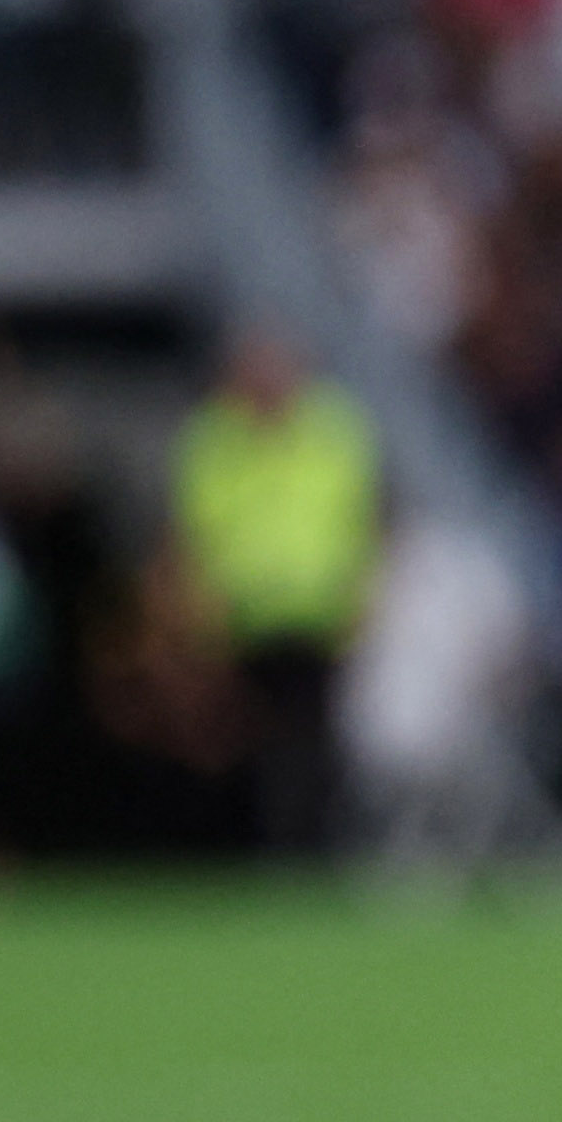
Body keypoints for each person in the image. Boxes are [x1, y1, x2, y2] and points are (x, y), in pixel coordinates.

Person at [170, 328, 384, 856]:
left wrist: (362, 597)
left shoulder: (335, 429)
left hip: (318, 620)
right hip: (242, 623)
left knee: (314, 747)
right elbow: (195, 533)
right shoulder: (214, 438)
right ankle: (258, 852)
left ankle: (313, 851)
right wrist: (199, 610)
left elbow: (363, 521)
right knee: (243, 747)